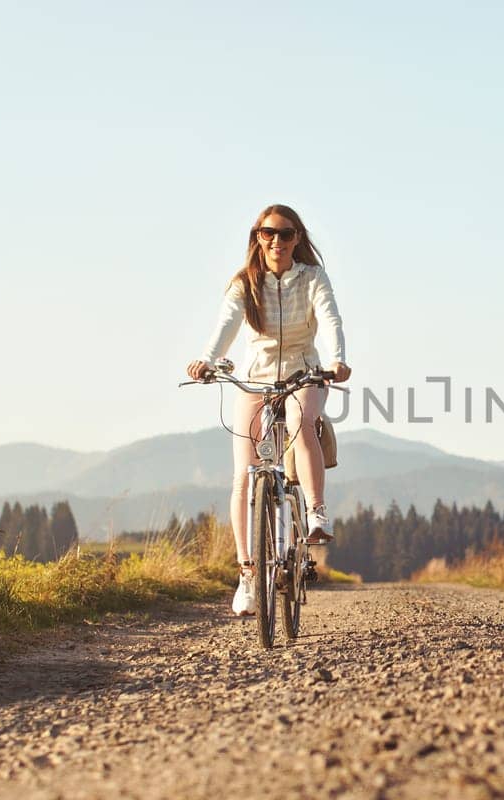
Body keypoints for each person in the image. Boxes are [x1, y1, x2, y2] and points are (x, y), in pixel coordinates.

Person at [185, 203, 351, 616]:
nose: (276, 241)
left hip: (303, 374)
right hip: (256, 379)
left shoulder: (312, 278)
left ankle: (316, 511)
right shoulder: (246, 283)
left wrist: (337, 360)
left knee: (301, 420)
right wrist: (207, 359)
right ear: (257, 237)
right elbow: (226, 325)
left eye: (286, 234)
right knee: (244, 475)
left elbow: (330, 319)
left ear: (298, 239)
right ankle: (247, 575)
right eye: (267, 233)